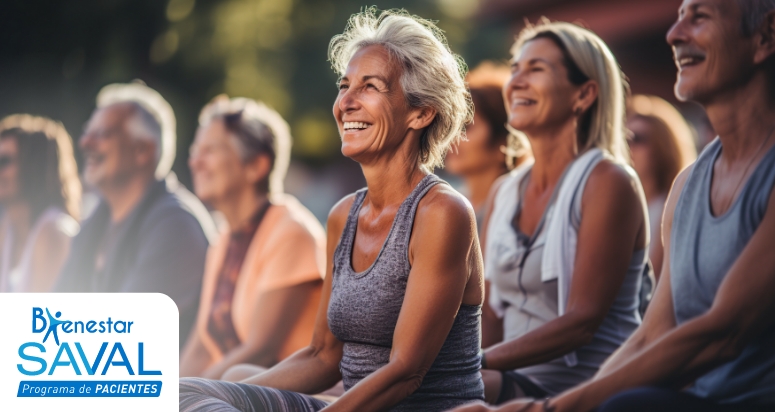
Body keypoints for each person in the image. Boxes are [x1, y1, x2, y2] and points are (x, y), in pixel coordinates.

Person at [456, 0, 775, 411]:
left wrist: (550, 407)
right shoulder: (689, 185)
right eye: (514, 67)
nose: (674, 35)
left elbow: (721, 332)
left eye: (700, 16)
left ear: (766, 35)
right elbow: (653, 333)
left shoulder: (607, 181)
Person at [180, 8, 484, 411]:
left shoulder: (442, 213)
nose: (347, 102)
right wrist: (237, 396)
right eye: (344, 86)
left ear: (420, 112)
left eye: (370, 87)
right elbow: (322, 355)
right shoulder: (344, 215)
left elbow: (405, 372)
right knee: (185, 393)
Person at [476, 21, 648, 405]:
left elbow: (581, 323)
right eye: (515, 67)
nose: (515, 81)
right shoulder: (504, 191)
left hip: (587, 387)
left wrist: (470, 365)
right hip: (505, 377)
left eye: (535, 69)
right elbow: (490, 314)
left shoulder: (607, 180)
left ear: (584, 94)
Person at [54, 81, 216, 347]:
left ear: (143, 151)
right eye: (87, 133)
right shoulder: (98, 219)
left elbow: (123, 335)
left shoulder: (175, 225)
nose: (85, 142)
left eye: (102, 134)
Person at [179, 95, 326, 379]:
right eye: (195, 150)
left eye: (209, 150)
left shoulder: (291, 232)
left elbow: (259, 349)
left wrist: (186, 395)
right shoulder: (224, 239)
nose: (195, 161)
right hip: (239, 392)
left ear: (256, 166)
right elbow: (200, 349)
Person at [445, 62, 530, 235]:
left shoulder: (519, 212)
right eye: (453, 127)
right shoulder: (447, 203)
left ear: (504, 141)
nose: (453, 137)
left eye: (467, 128)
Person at [0, 115, 81, 292]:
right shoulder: (8, 228)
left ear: (33, 167)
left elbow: (39, 316)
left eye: (4, 161)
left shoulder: (54, 231)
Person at [627, 95, 696, 281]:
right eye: (625, 138)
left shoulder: (676, 207)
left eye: (638, 138)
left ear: (663, 147)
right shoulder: (621, 206)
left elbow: (656, 278)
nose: (629, 146)